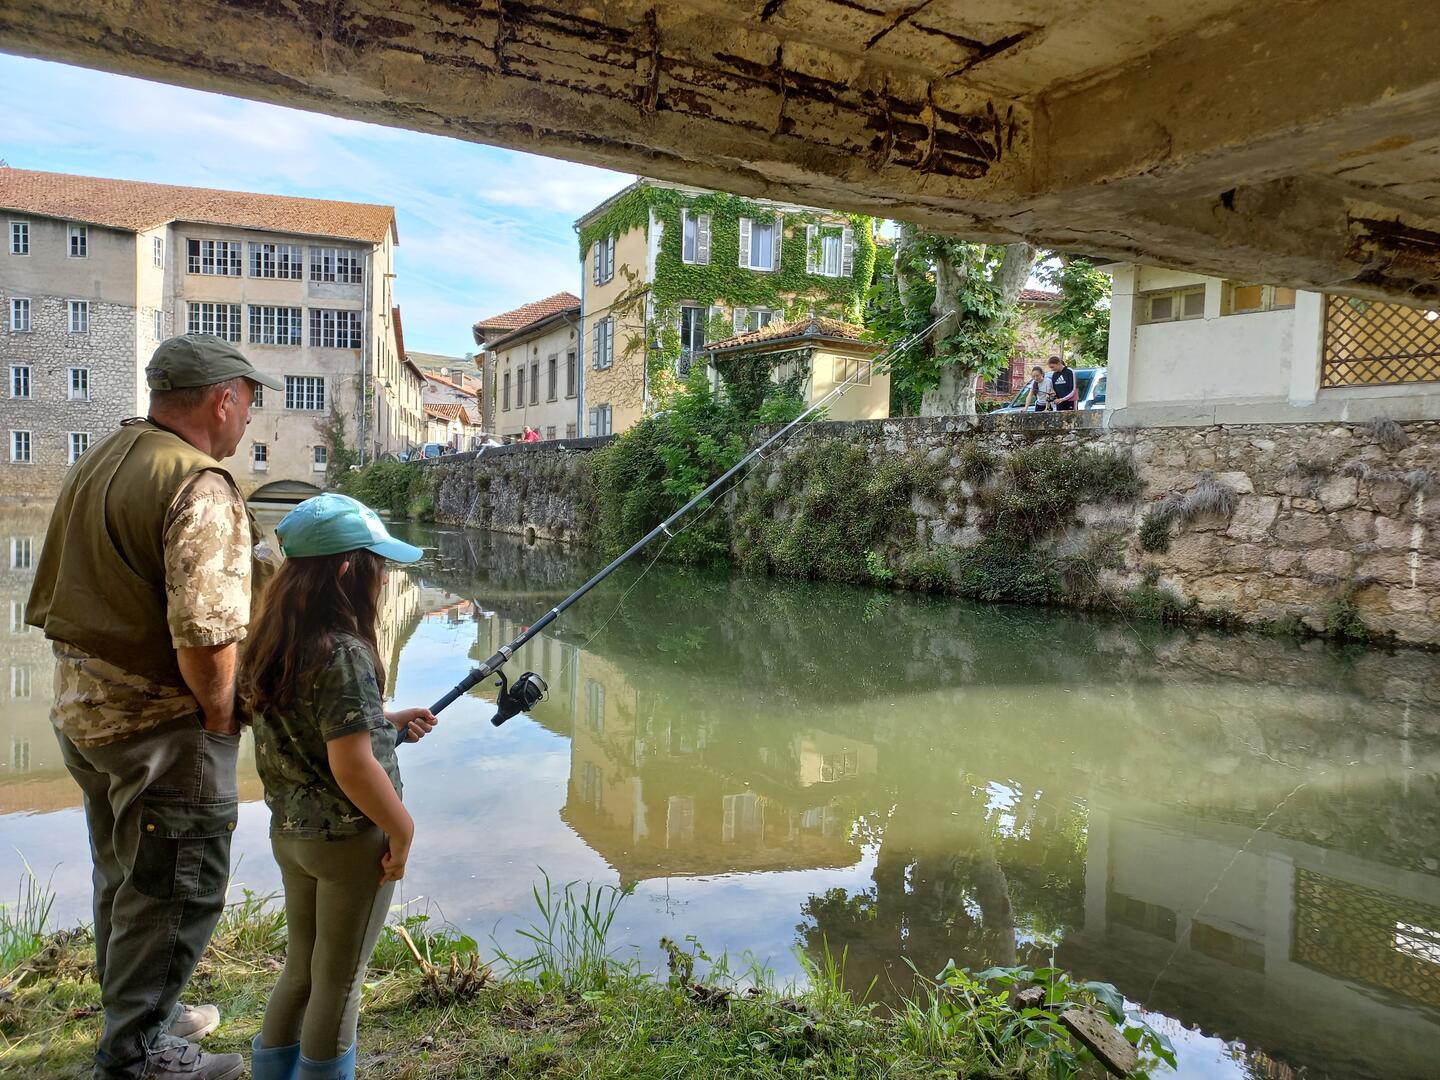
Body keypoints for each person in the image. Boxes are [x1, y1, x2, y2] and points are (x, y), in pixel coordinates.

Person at [26, 335, 283, 1080]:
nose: (250, 417)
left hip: (85, 710)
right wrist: (218, 718)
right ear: (222, 399)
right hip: (157, 726)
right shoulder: (198, 485)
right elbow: (207, 636)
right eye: (251, 399)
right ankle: (135, 1056)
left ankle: (144, 1013)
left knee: (124, 875)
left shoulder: (105, 455)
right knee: (175, 885)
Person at [240, 494, 437, 1080]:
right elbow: (352, 766)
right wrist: (402, 827)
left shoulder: (272, 642)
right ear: (348, 569)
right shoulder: (345, 651)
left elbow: (316, 726)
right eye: (377, 563)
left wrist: (384, 721)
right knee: (340, 979)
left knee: (300, 968)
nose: (384, 576)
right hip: (351, 839)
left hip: (292, 834)